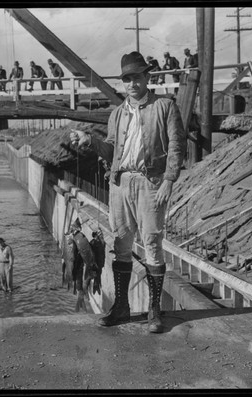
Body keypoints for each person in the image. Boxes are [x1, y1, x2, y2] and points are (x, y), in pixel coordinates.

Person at [69, 51, 187, 333]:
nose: (131, 83)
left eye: (136, 77)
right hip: (120, 184)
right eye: (126, 79)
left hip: (150, 184)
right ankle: (121, 307)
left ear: (147, 77)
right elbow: (112, 151)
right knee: (121, 244)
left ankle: (154, 311)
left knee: (152, 244)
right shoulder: (118, 114)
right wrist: (92, 141)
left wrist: (169, 180)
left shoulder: (165, 107)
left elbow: (176, 145)